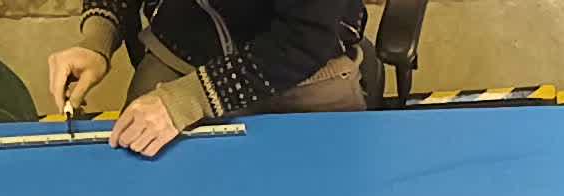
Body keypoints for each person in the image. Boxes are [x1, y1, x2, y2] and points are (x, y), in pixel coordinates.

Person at [48, 0, 369, 159]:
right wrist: (97, 39)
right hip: (179, 59)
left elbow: (307, 37)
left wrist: (190, 98)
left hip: (303, 76)